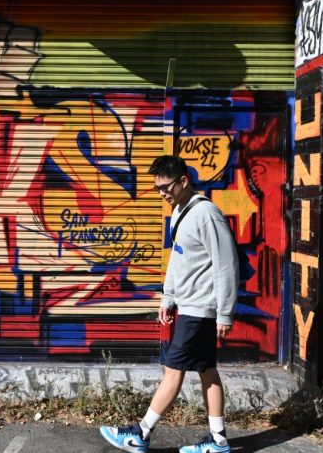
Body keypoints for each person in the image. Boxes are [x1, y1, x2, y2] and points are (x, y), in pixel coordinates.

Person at [100, 155, 239, 453]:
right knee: (207, 370)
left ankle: (141, 434)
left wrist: (225, 314)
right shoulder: (179, 212)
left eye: (166, 187)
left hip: (200, 309)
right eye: (157, 188)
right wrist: (169, 298)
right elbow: (178, 260)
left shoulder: (206, 214)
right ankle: (218, 440)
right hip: (188, 306)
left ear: (184, 181)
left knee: (173, 369)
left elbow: (226, 265)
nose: (162, 193)